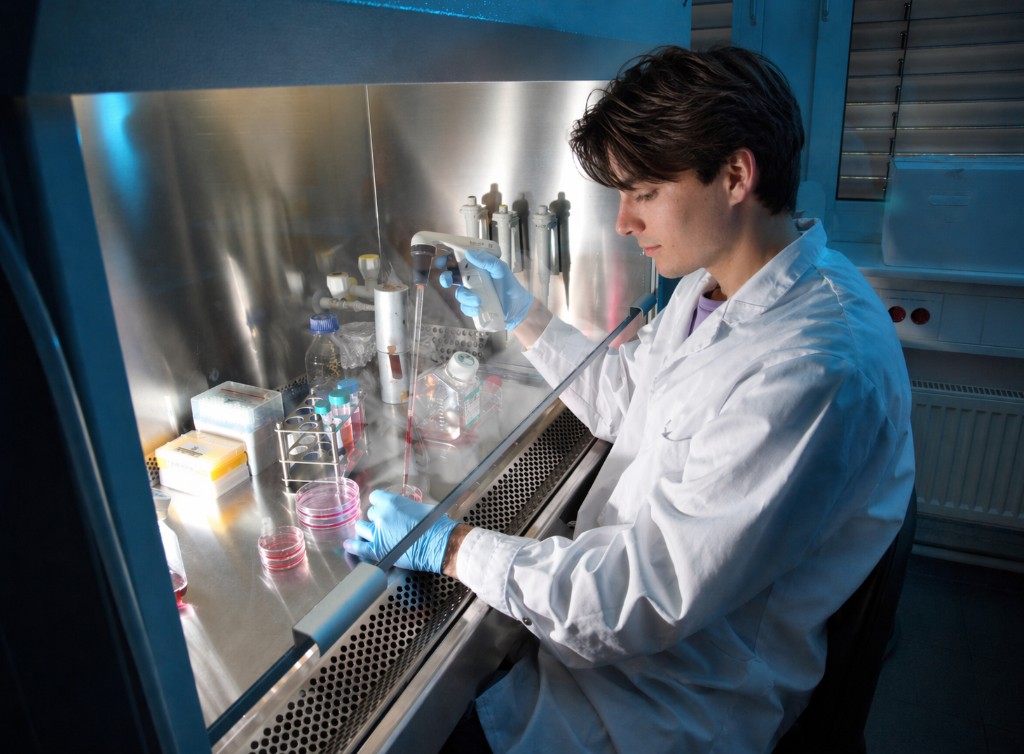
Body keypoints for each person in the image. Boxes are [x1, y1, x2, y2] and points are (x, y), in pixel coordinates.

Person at [344, 45, 915, 753]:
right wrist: (521, 314)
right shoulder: (718, 287)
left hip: (674, 699)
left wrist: (452, 545)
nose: (623, 222)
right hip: (626, 653)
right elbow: (631, 401)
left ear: (735, 175)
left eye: (643, 192)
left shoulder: (813, 370)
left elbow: (639, 595)